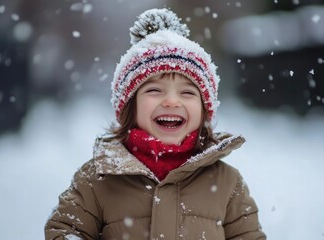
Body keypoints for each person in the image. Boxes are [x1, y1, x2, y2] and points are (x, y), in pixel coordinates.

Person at [45, 8, 266, 240]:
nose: (171, 101)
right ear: (131, 107)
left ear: (204, 111)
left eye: (187, 92)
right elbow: (64, 231)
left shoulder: (227, 184)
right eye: (154, 90)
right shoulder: (98, 178)